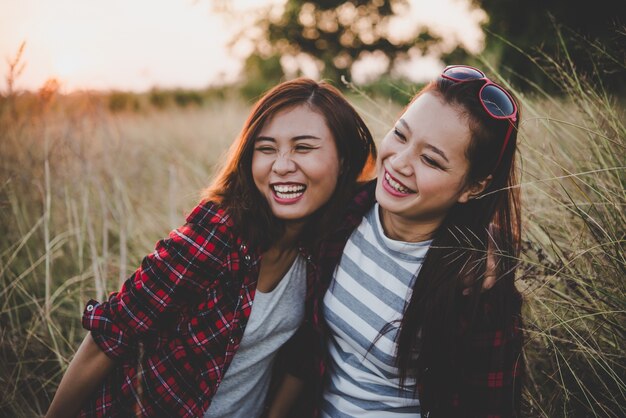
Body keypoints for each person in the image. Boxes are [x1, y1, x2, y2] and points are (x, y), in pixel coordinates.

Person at [45, 78, 377, 418]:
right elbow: (112, 335)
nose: (281, 166)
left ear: (345, 160)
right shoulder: (216, 237)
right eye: (266, 148)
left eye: (303, 148)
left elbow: (303, 354)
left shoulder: (330, 243)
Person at [277, 65, 525, 418]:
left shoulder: (476, 286)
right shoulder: (342, 216)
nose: (400, 162)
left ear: (474, 187)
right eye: (401, 135)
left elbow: (490, 408)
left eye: (431, 160)